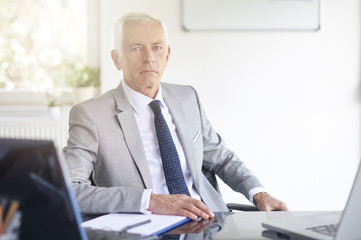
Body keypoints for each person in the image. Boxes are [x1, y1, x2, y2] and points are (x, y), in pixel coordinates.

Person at [63, 12, 288, 221]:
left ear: (167, 54)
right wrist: (150, 201)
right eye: (135, 48)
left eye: (157, 47)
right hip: (146, 224)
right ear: (116, 59)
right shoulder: (90, 115)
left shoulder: (187, 97)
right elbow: (70, 189)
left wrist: (258, 193)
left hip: (208, 220)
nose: (149, 58)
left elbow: (221, 157)